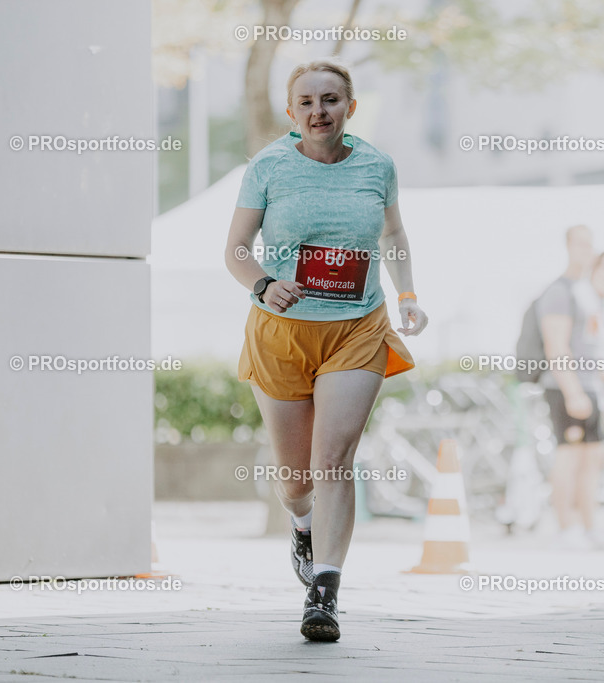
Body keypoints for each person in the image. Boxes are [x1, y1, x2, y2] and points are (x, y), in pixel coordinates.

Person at [224, 60, 428, 641]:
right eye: (308, 102)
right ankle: (303, 523)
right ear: (292, 113)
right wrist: (264, 283)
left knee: (333, 459)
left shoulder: (377, 166)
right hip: (282, 330)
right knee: (296, 478)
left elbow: (392, 233)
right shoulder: (267, 167)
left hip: (357, 326)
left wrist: (408, 293)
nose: (320, 111)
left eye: (332, 100)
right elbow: (236, 249)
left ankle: (325, 591)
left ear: (350, 107)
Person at [538, 227, 604, 550]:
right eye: (581, 245)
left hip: (591, 388)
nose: (587, 251)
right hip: (565, 387)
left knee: (593, 458)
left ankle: (589, 527)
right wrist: (573, 391)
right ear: (569, 247)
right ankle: (566, 528)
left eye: (591, 245)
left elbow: (595, 347)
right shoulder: (560, 291)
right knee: (569, 457)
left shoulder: (589, 294)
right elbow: (556, 345)